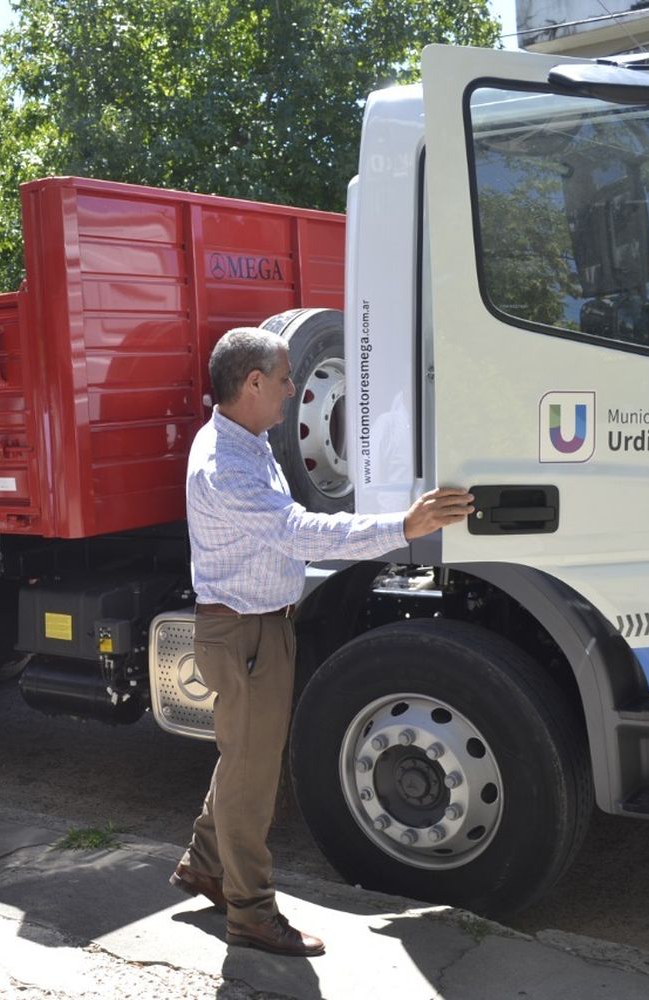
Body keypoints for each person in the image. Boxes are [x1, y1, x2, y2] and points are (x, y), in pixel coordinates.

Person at [168, 326, 473, 957]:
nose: (291, 390)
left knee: (244, 761)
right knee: (253, 780)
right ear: (252, 383)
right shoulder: (227, 467)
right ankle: (250, 914)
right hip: (245, 635)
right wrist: (404, 526)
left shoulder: (243, 441)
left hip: (253, 629)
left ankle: (204, 863)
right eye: (283, 379)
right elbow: (301, 533)